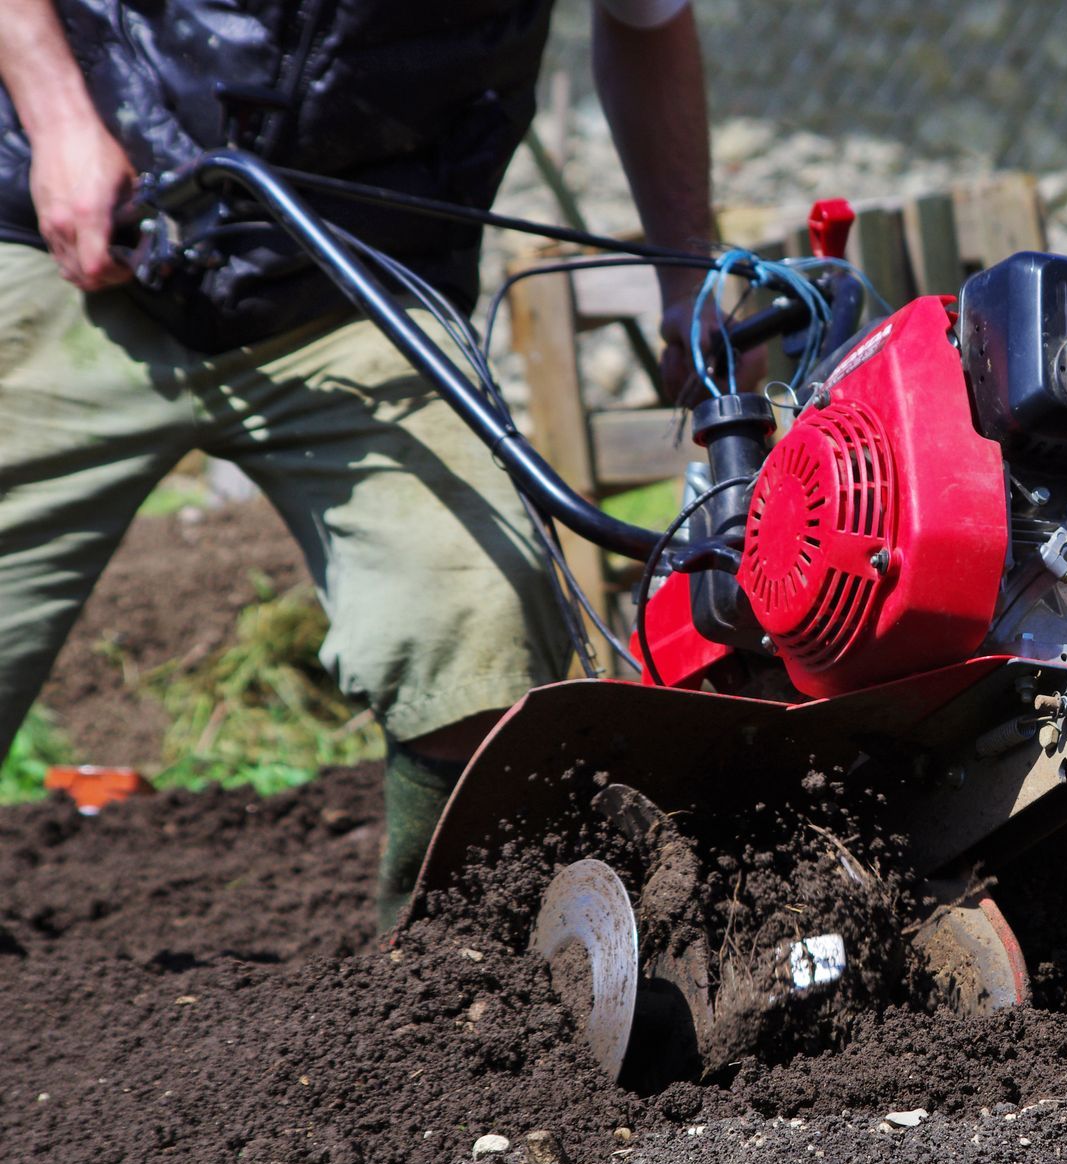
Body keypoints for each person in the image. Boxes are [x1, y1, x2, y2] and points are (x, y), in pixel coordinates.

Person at [0, 0, 716, 926]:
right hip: (78, 240)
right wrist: (59, 118)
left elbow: (648, 21)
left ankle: (450, 973)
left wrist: (686, 276)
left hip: (358, 281)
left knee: (480, 622)